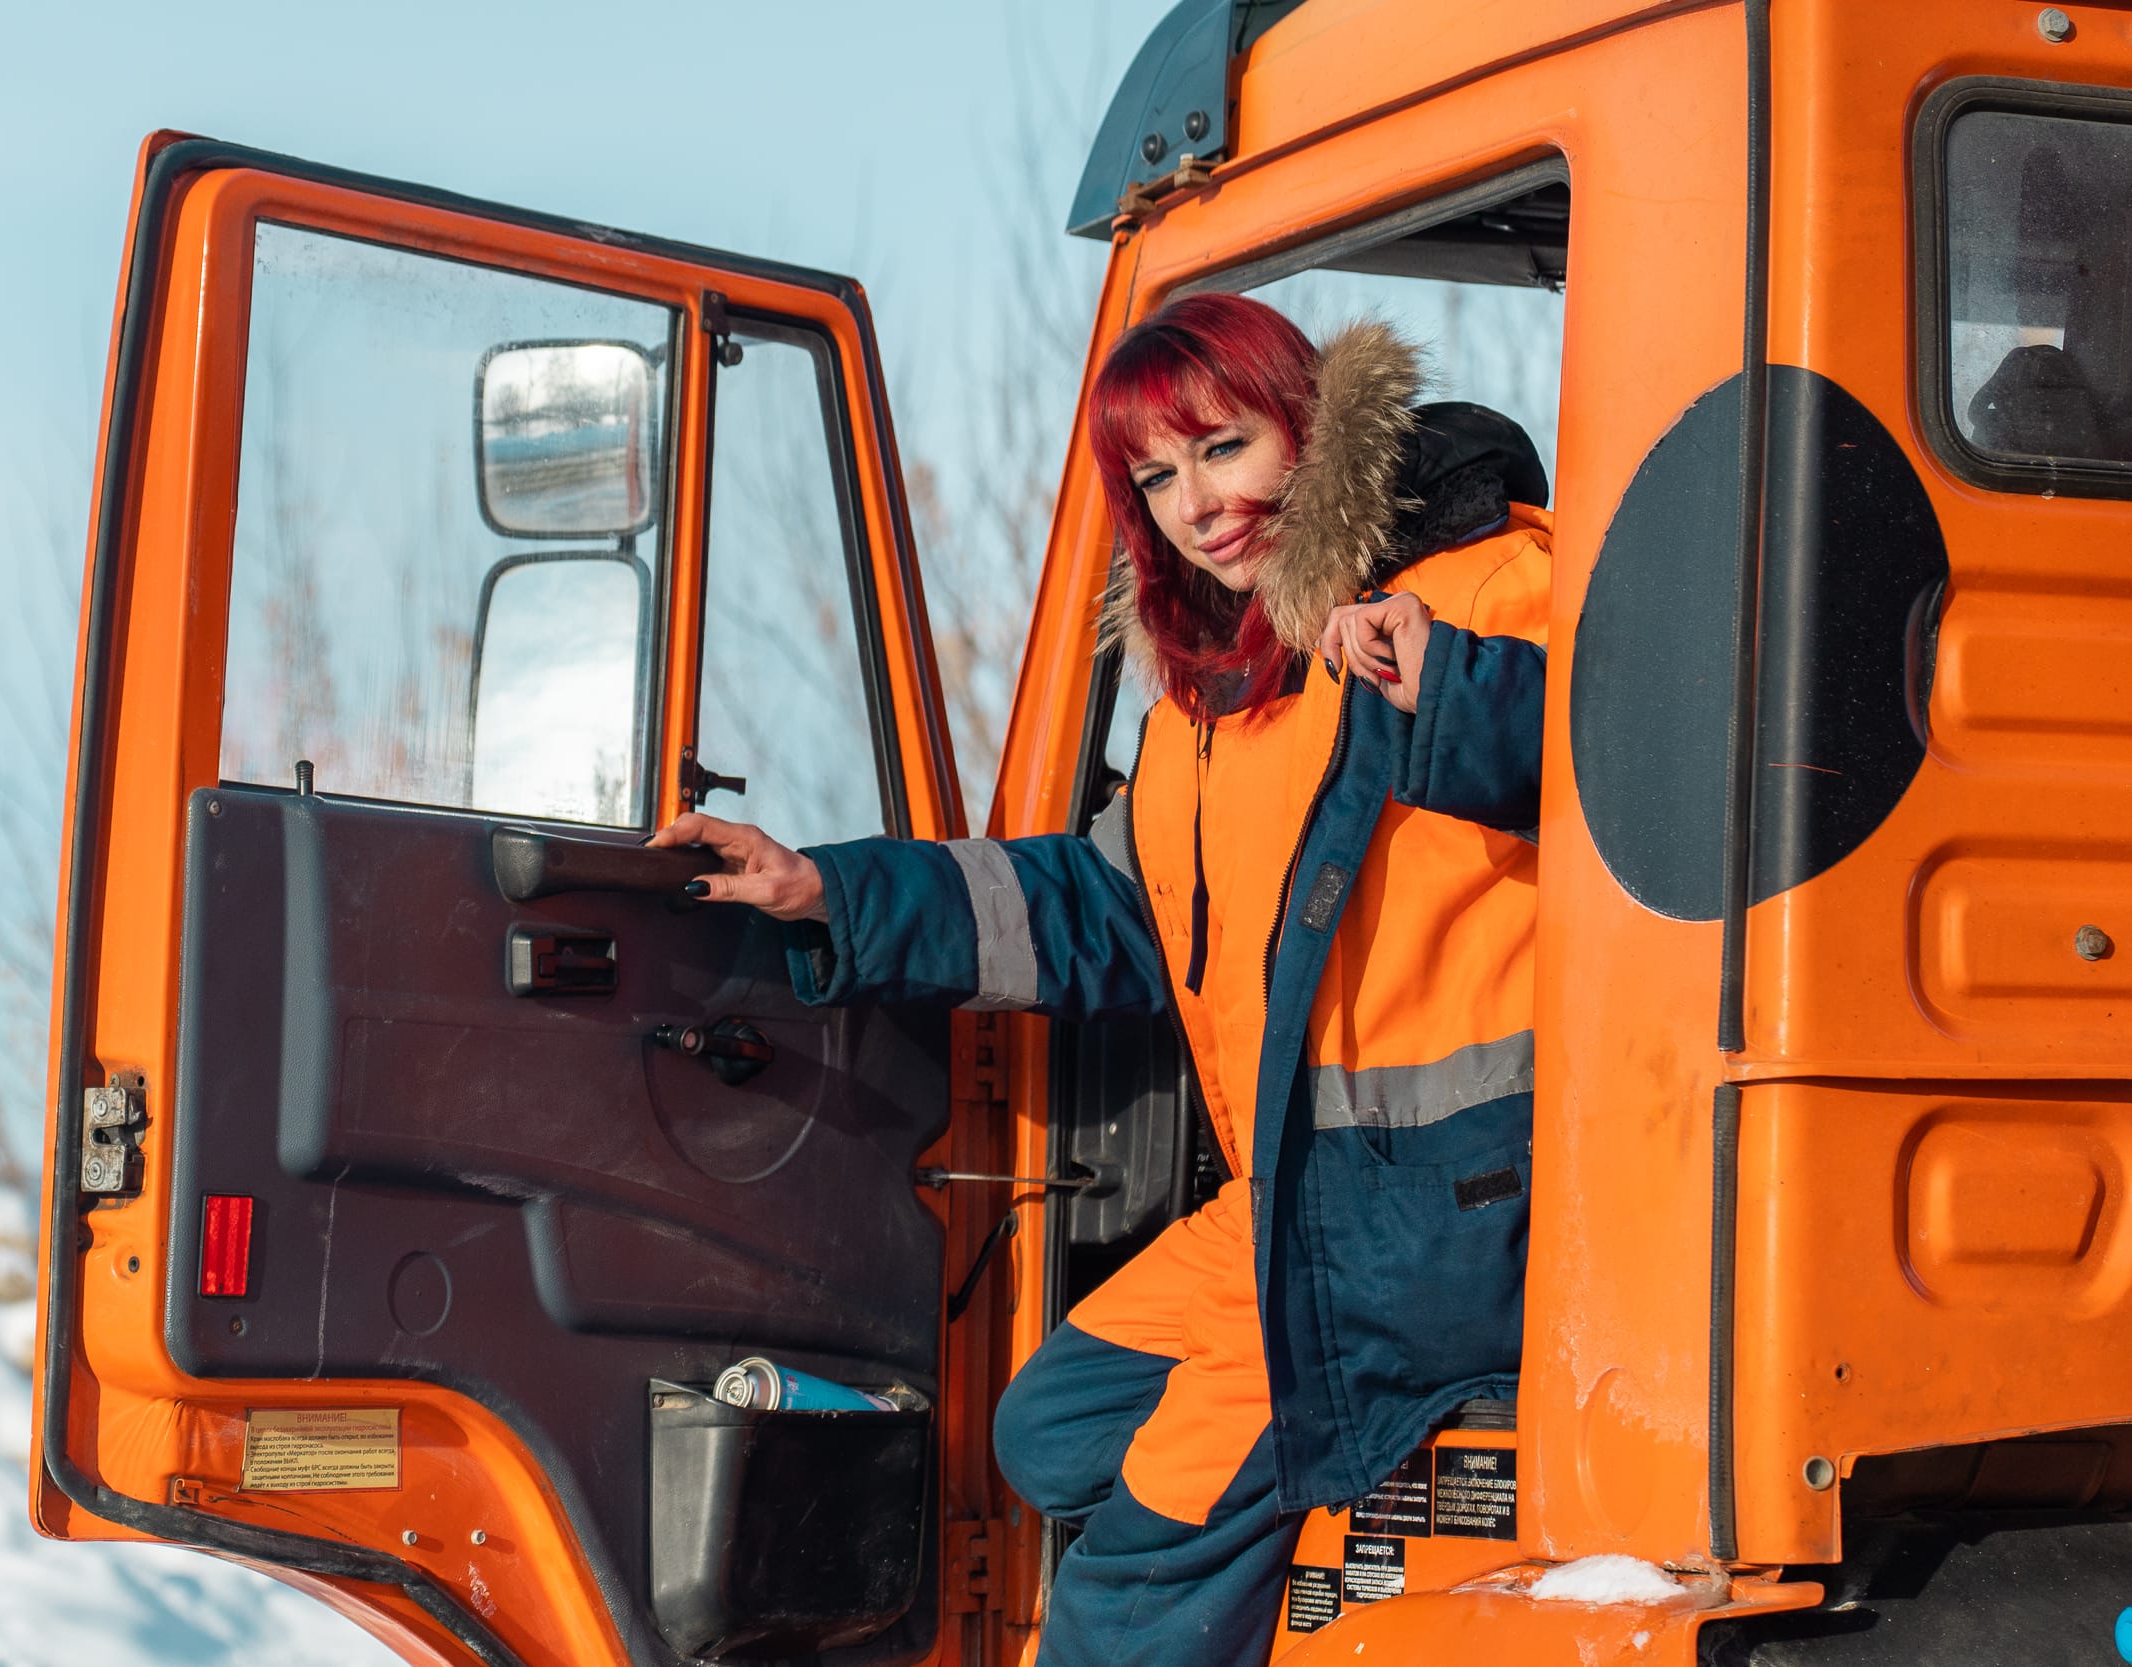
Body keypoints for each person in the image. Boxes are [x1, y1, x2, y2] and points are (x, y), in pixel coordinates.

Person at [652, 292, 1549, 1666]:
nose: (1200, 506)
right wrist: (828, 891)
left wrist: (1460, 686)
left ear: (1312, 426)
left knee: (1135, 1568)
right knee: (1049, 1432)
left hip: (1445, 1211)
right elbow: (1106, 911)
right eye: (1158, 477)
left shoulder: (1479, 587)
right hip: (1296, 1204)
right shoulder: (1211, 708)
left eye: (1226, 448)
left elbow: (1646, 760)